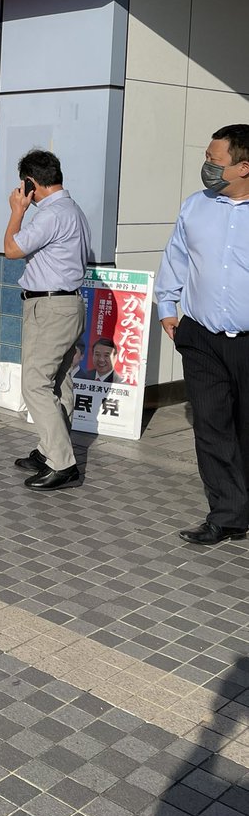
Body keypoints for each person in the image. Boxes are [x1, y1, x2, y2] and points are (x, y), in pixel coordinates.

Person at [156, 124, 249, 546]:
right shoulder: (195, 206)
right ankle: (227, 515)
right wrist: (167, 306)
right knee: (211, 427)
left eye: (214, 160)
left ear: (243, 167)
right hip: (201, 337)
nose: (206, 165)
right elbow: (175, 257)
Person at [3, 149, 91, 490]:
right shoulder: (73, 210)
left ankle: (62, 463)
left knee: (35, 384)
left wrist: (17, 211)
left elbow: (12, 249)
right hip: (68, 304)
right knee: (59, 382)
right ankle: (49, 450)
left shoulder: (51, 214)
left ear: (31, 182)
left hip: (51, 307)